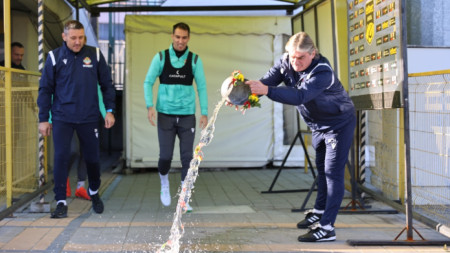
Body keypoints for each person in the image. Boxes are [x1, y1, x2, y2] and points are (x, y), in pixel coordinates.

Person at [246, 32, 356, 242]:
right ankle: (319, 210)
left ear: (313, 54)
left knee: (333, 173)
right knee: (322, 170)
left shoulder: (322, 71)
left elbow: (300, 96)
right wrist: (243, 96)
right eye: (292, 56)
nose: (295, 62)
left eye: (301, 58)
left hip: (338, 124)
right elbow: (266, 82)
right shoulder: (285, 61)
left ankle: (327, 228)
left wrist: (266, 90)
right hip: (318, 125)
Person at [37, 20, 116, 218]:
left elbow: (107, 85)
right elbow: (45, 89)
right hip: (62, 116)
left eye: (81, 37)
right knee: (62, 156)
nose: (77, 42)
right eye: (73, 38)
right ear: (64, 37)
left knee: (92, 158)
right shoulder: (54, 57)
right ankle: (61, 201)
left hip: (89, 116)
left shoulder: (95, 55)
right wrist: (43, 118)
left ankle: (94, 191)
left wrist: (109, 110)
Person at [143, 22, 208, 212]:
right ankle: (164, 182)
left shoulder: (195, 60)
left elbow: (202, 87)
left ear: (188, 38)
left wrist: (204, 112)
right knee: (165, 157)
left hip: (187, 115)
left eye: (184, 37)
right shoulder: (161, 57)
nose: (180, 41)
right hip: (165, 115)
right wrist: (150, 106)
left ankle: (184, 198)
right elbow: (148, 82)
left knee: (188, 158)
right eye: (177, 37)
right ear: (172, 36)